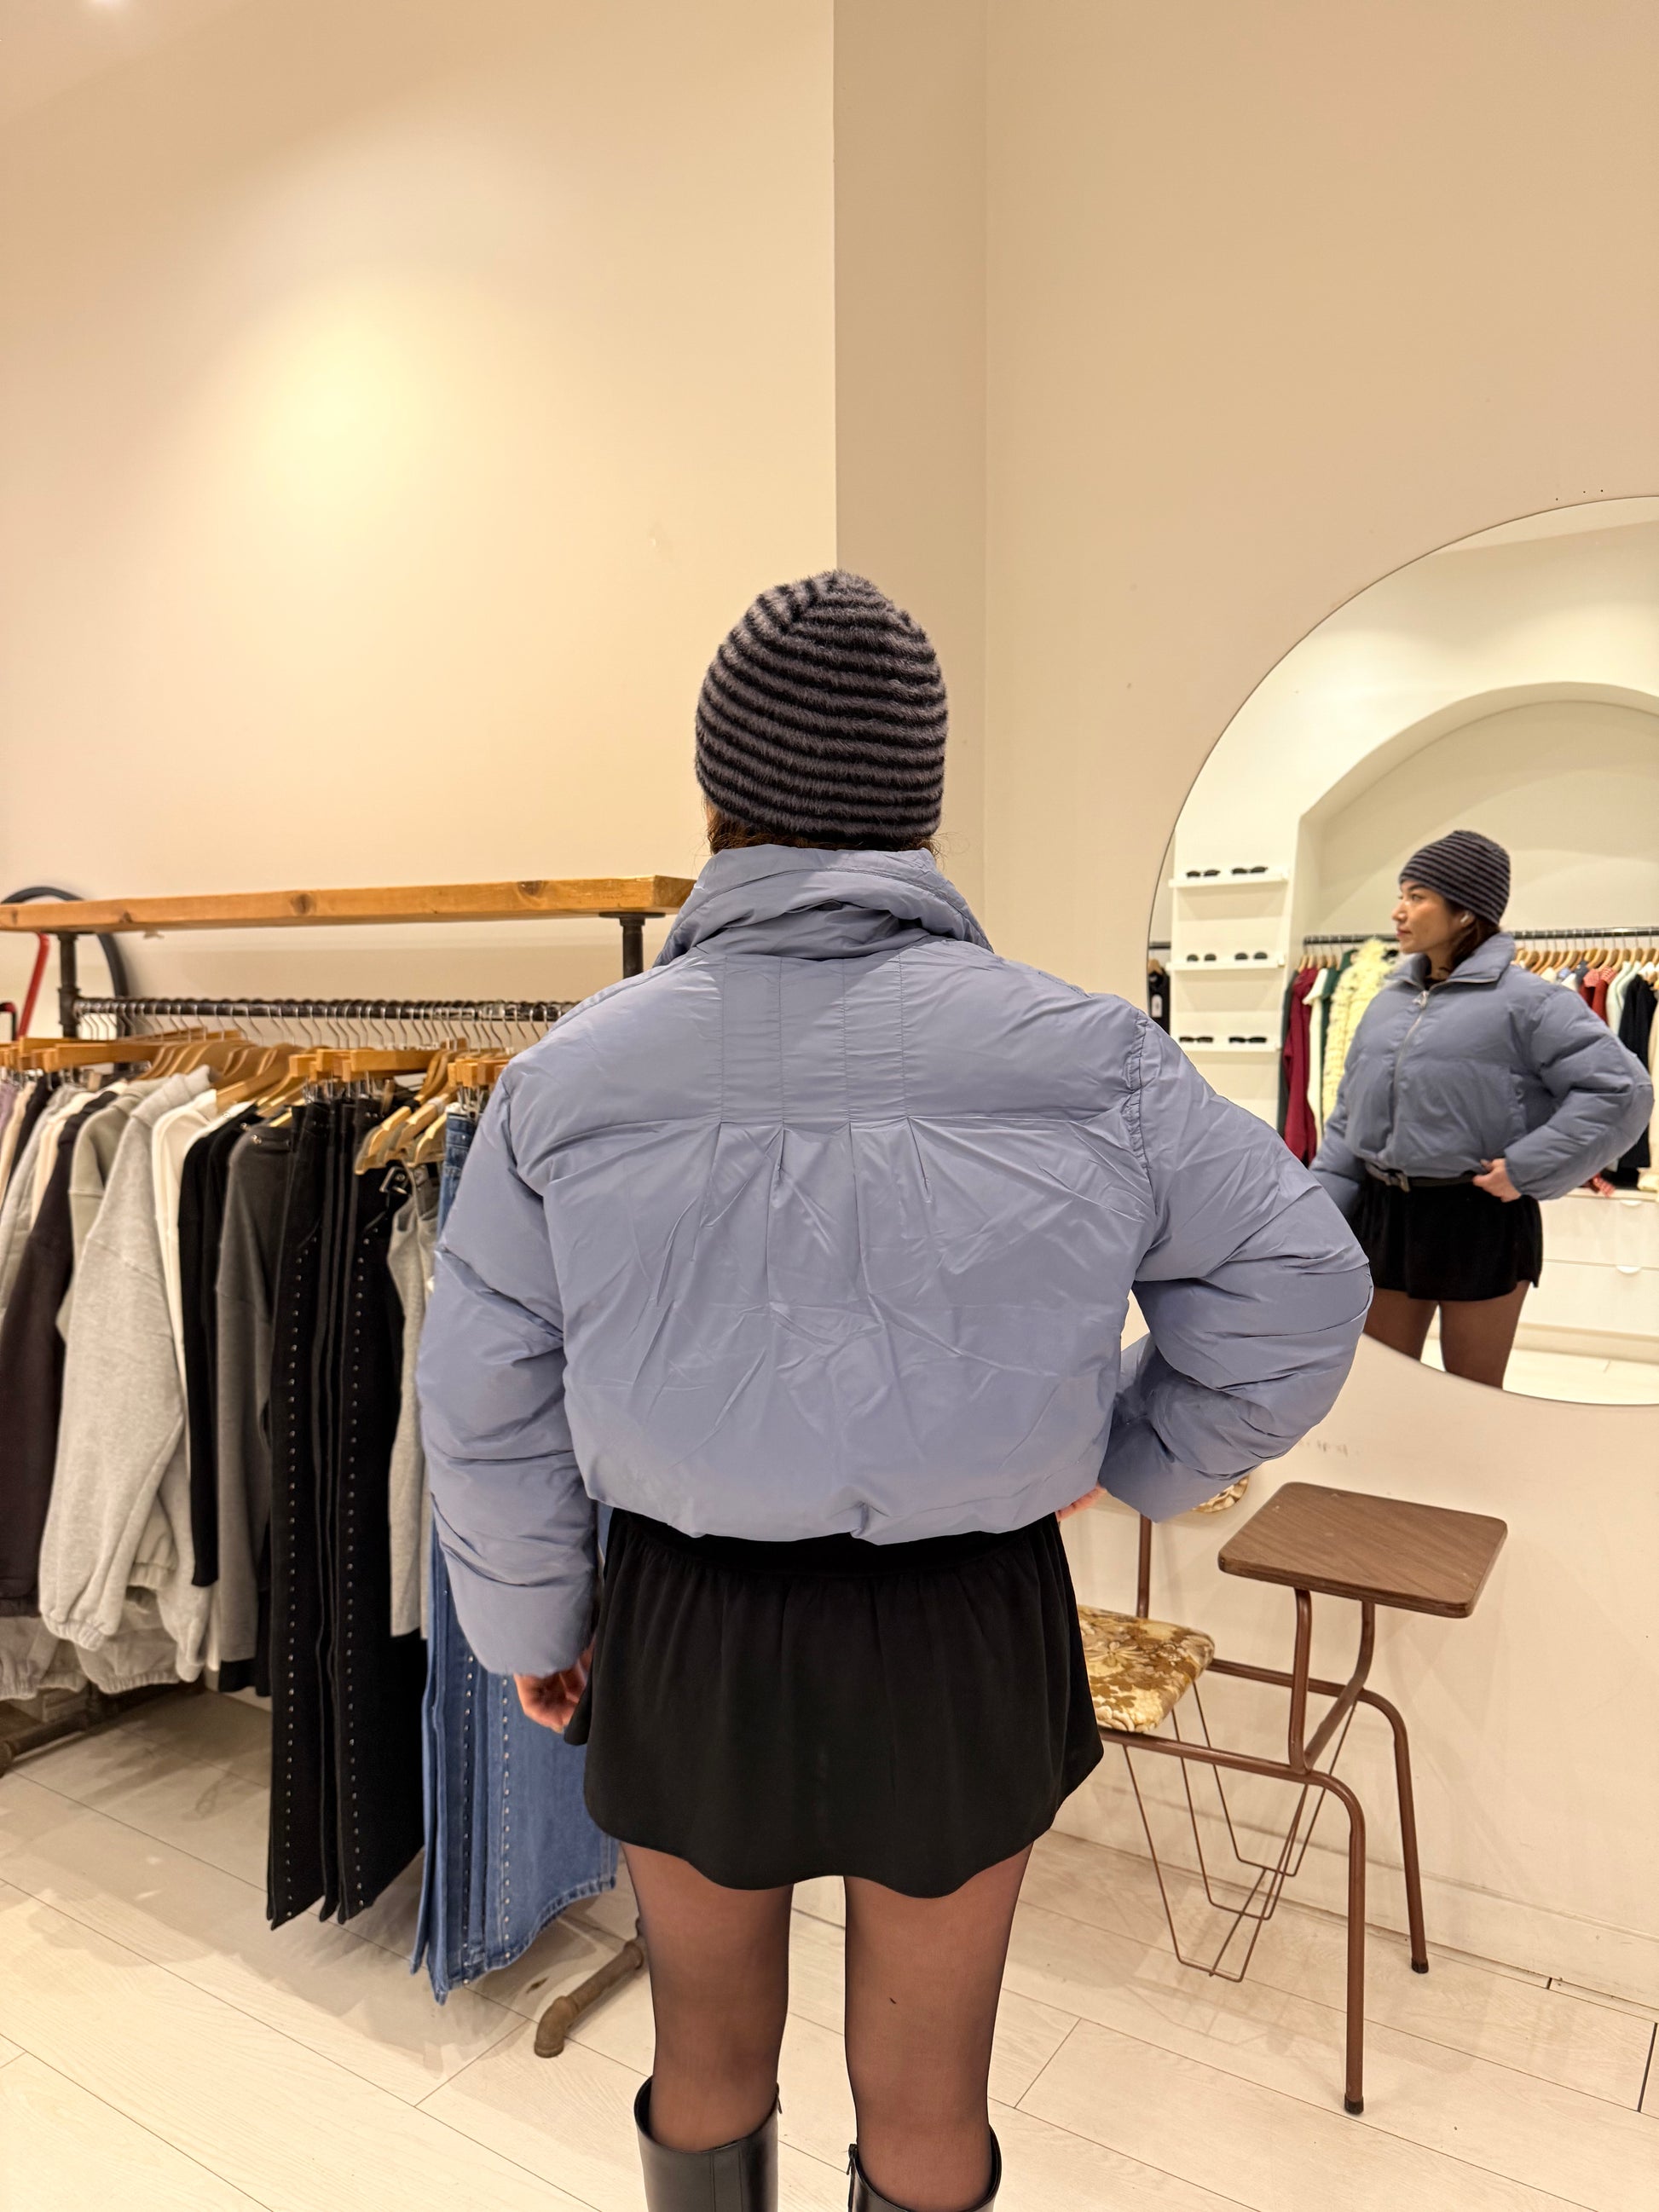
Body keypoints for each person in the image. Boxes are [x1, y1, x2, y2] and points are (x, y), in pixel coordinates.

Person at [417, 572, 1372, 2212]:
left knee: (706, 2055)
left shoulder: (570, 1075)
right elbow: (1302, 1285)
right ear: (920, 811)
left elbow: (485, 1392)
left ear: (718, 805)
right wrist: (1127, 1450)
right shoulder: (1094, 1055)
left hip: (694, 1619)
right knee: (931, 2098)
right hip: (965, 1620)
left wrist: (533, 1622)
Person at [1311, 830, 1652, 1389]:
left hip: (1477, 1216)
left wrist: (1527, 1167)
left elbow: (1622, 1090)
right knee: (1380, 1386)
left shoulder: (1532, 1002)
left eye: (1417, 895)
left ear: (1466, 911)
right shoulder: (1386, 1002)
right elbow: (1349, 1115)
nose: (1398, 911)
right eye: (1400, 894)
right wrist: (1317, 1211)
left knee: (1473, 1394)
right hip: (1383, 1213)